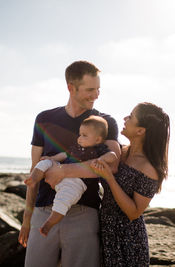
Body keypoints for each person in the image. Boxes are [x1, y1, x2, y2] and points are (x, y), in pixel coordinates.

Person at [18, 60, 120, 267]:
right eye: (90, 89)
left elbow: (112, 164)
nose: (96, 95)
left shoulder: (104, 122)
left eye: (98, 89)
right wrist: (26, 220)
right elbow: (34, 171)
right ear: (70, 88)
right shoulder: (44, 119)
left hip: (83, 214)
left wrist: (63, 171)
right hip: (43, 210)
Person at [45, 102, 170, 266]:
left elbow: (134, 212)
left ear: (140, 130)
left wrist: (110, 179)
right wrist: (58, 168)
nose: (125, 118)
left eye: (131, 116)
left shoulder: (149, 168)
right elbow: (87, 159)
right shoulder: (118, 151)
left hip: (128, 239)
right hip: (104, 226)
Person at [24, 115, 117, 236]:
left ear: (98, 139)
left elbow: (113, 156)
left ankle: (49, 223)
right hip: (59, 175)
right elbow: (64, 155)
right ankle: (34, 179)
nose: (80, 138)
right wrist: (51, 158)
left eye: (84, 135)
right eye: (80, 134)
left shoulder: (99, 149)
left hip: (76, 183)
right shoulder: (76, 148)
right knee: (44, 162)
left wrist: (101, 159)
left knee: (63, 200)